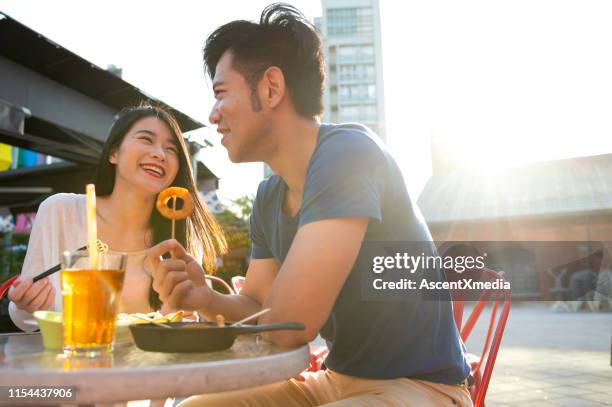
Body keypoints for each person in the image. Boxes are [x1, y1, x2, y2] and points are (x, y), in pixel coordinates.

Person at [148, 4, 471, 406]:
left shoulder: (348, 154)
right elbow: (258, 303)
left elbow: (288, 326)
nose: (213, 115)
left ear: (270, 88)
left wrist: (268, 308)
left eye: (221, 94)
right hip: (334, 381)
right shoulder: (268, 197)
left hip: (419, 387)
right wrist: (205, 297)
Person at [8, 104, 226, 332]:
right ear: (113, 153)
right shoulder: (60, 211)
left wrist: (178, 312)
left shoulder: (179, 234)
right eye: (146, 139)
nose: (159, 154)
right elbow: (26, 321)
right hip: (71, 360)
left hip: (147, 365)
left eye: (171, 149)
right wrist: (26, 305)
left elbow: (185, 324)